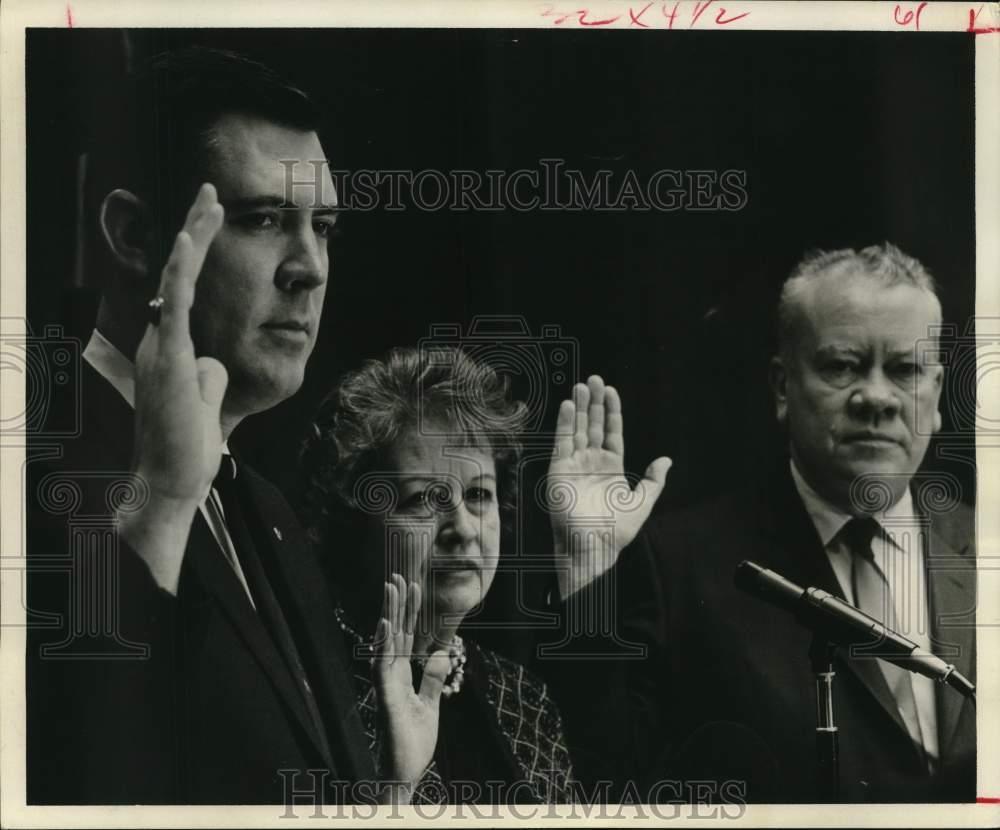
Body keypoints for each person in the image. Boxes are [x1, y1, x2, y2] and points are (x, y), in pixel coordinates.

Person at [25, 47, 427, 805]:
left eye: (326, 227)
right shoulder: (30, 466)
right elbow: (66, 779)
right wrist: (163, 507)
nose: (309, 267)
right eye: (264, 219)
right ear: (135, 236)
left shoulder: (266, 508)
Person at [541, 242, 976, 803]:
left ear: (937, 394)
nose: (876, 397)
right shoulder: (680, 564)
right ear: (780, 387)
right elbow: (601, 781)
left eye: (905, 370)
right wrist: (585, 573)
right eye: (842, 366)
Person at [297, 346, 672, 803]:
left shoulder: (520, 693)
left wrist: (584, 557)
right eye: (423, 499)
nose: (462, 529)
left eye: (478, 495)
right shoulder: (306, 686)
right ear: (355, 522)